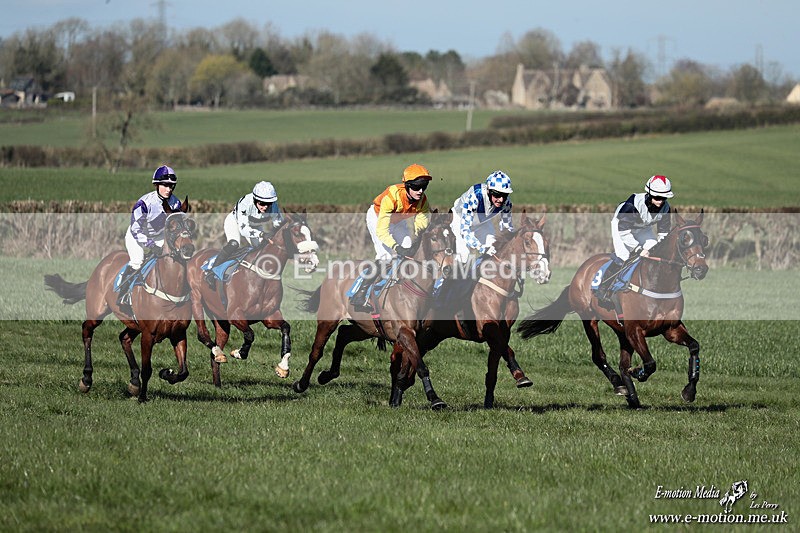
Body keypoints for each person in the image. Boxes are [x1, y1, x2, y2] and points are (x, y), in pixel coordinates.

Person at [352, 163, 432, 312]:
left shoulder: (422, 200)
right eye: (416, 187)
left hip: (398, 221)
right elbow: (382, 231)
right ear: (407, 185)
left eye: (424, 186)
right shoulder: (392, 196)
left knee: (409, 252)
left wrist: (418, 237)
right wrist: (396, 247)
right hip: (378, 218)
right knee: (386, 256)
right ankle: (360, 293)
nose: (420, 191)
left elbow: (421, 223)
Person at [597, 174, 673, 301]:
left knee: (655, 253)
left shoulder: (666, 208)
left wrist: (659, 248)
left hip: (643, 228)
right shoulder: (633, 204)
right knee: (624, 256)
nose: (660, 201)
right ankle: (603, 288)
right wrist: (638, 249)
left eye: (663, 198)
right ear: (649, 194)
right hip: (621, 227)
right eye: (657, 197)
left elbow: (664, 233)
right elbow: (624, 231)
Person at [118, 165, 183, 307]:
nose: (169, 189)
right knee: (138, 261)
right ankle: (123, 294)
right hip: (137, 236)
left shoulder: (176, 203)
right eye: (165, 185)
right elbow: (136, 230)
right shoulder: (144, 203)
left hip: (159, 236)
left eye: (171, 186)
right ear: (157, 185)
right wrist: (151, 245)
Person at [205, 181, 284, 284]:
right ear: (255, 199)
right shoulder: (245, 203)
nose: (265, 207)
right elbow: (244, 230)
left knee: (263, 247)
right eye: (262, 203)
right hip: (236, 222)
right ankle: (212, 271)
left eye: (268, 204)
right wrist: (262, 234)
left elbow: (280, 225)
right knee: (234, 244)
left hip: (255, 226)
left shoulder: (274, 207)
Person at [451, 170, 515, 264]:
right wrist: (481, 248)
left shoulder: (506, 203)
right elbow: (464, 230)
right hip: (460, 220)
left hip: (481, 223)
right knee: (464, 256)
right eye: (497, 194)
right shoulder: (475, 196)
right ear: (488, 190)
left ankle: (478, 274)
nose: (501, 199)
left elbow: (507, 227)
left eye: (505, 195)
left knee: (494, 250)